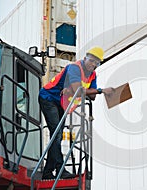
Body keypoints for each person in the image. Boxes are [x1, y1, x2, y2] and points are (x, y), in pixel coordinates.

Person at [38, 47, 114, 180]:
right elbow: (79, 91)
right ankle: (60, 170)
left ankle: (48, 172)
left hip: (62, 103)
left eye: (97, 63)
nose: (93, 65)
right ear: (85, 58)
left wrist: (88, 91)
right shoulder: (74, 68)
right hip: (49, 97)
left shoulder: (92, 75)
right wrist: (101, 90)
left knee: (57, 135)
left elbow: (92, 97)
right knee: (56, 133)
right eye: (91, 61)